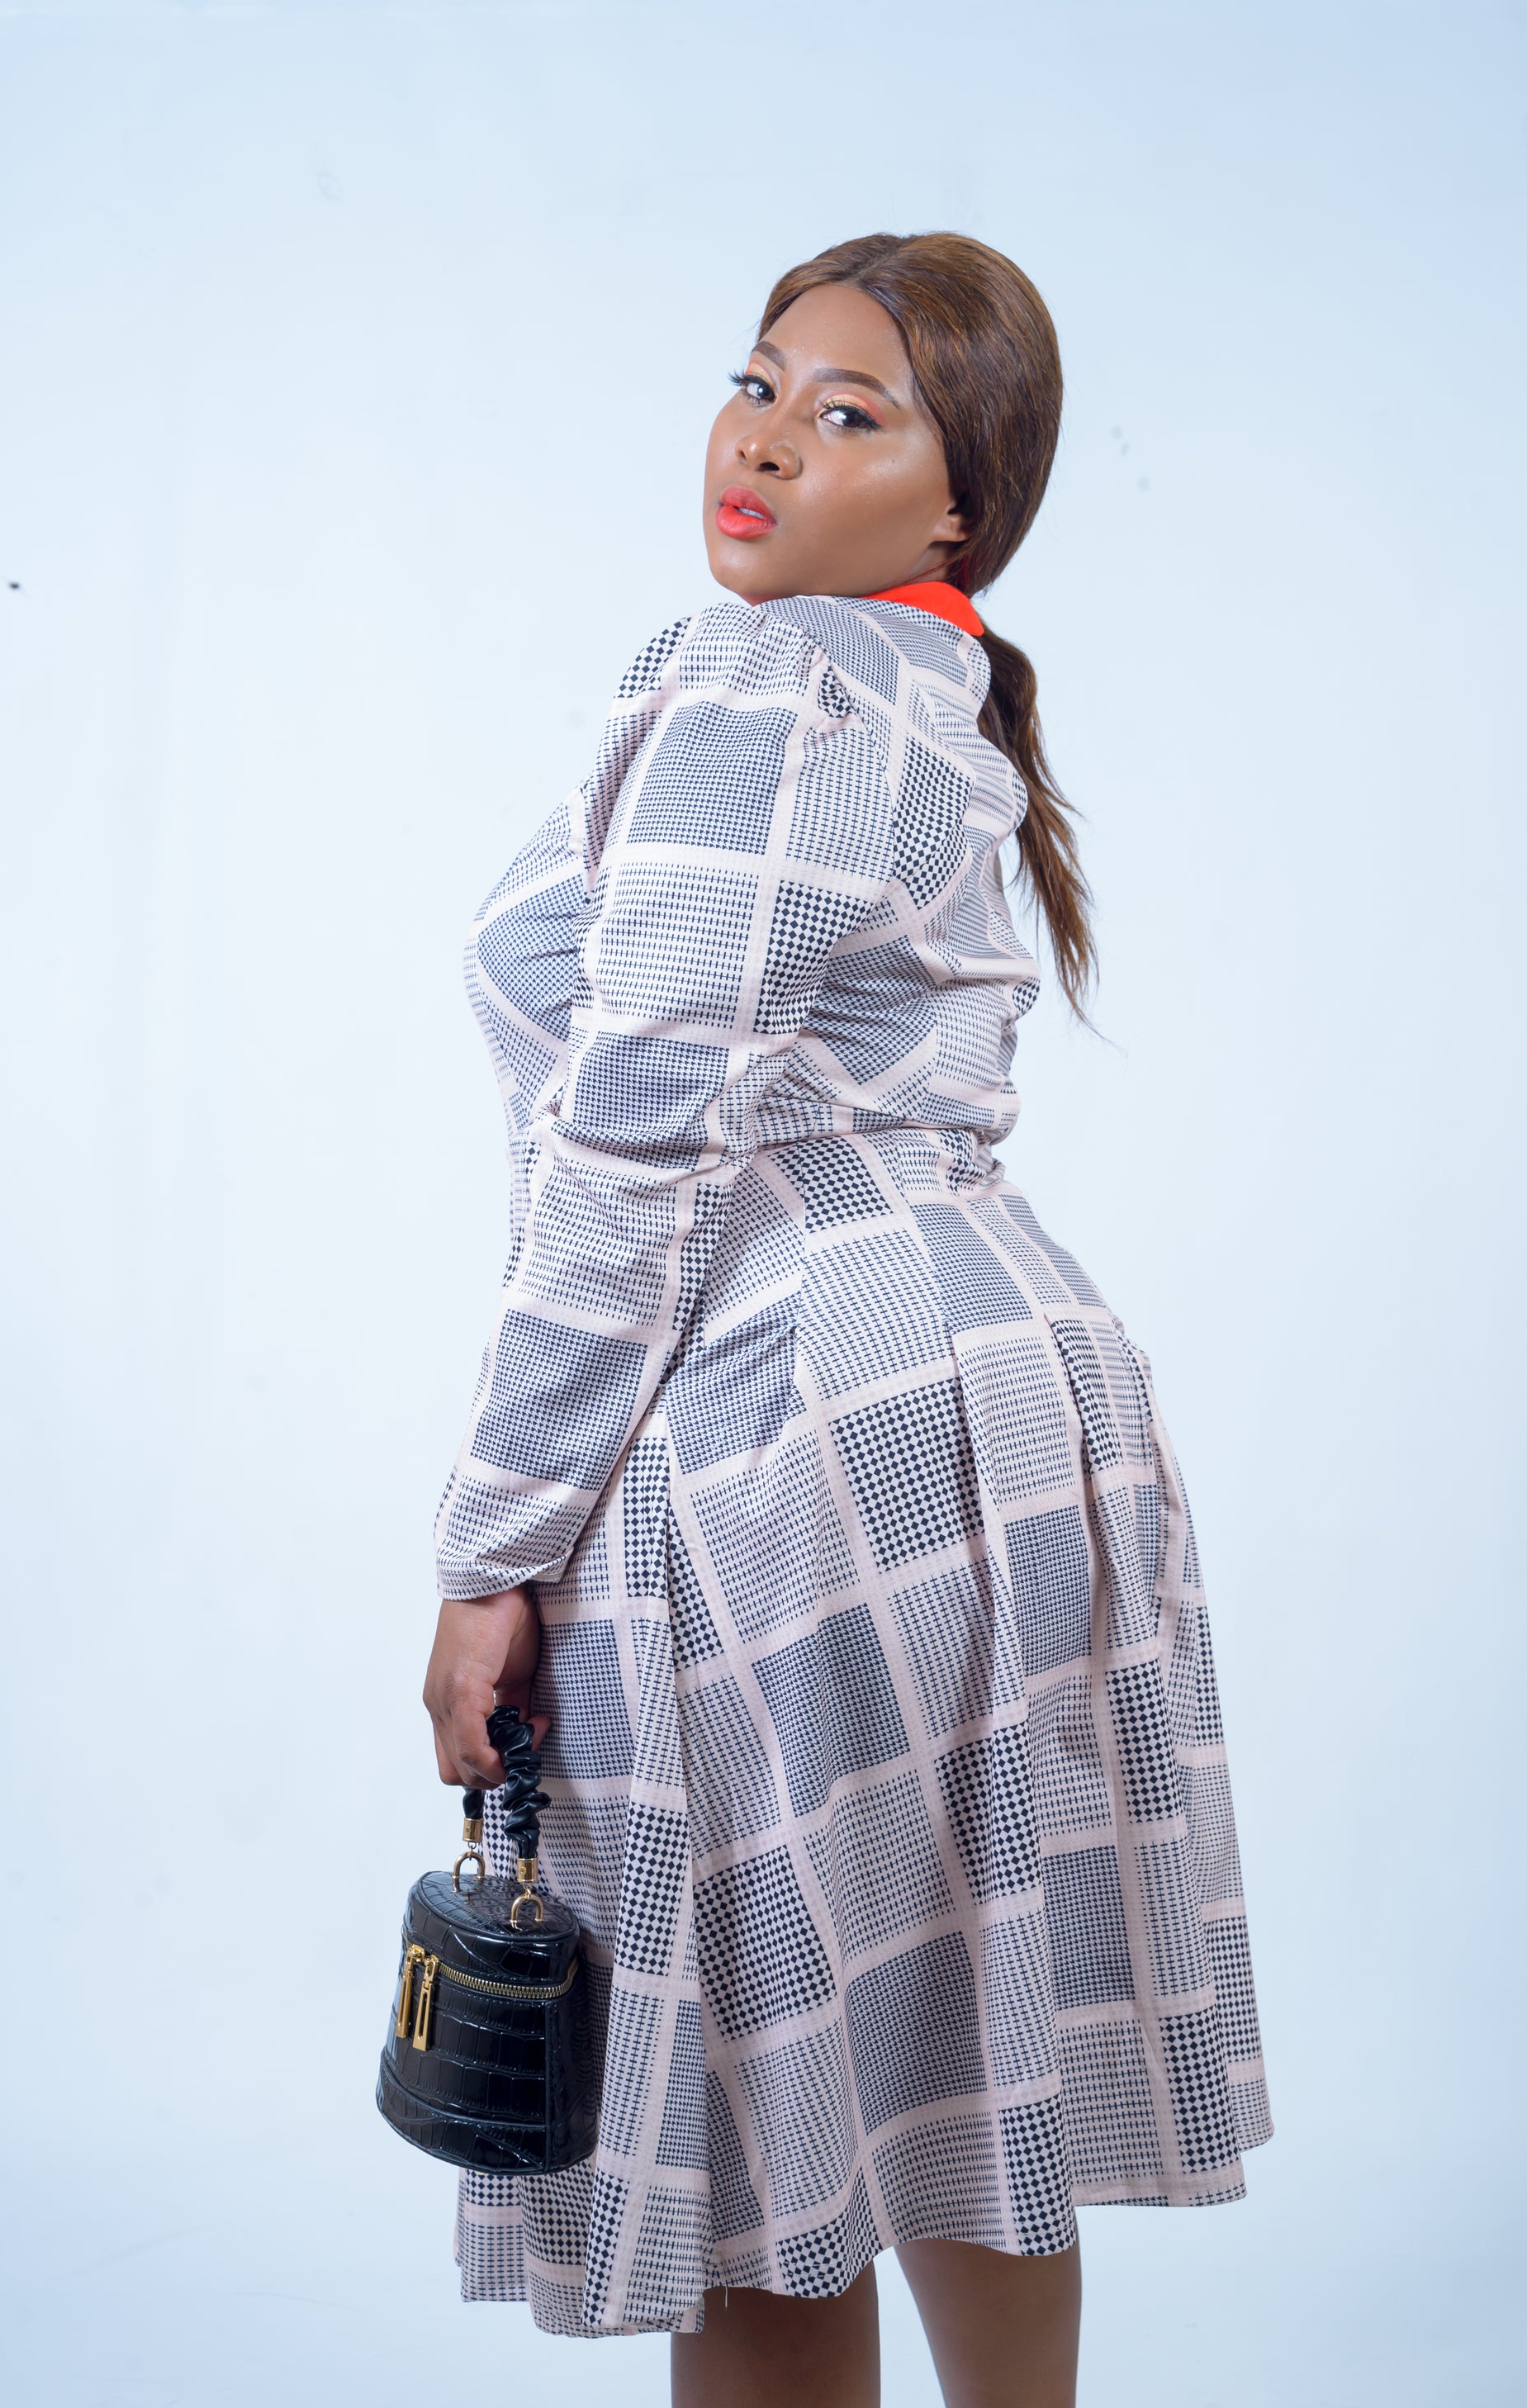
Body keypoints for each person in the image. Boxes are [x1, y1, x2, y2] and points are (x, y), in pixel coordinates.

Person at [421, 230, 1269, 2408]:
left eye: (850, 411)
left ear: (961, 502)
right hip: (1008, 1406)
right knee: (962, 2050)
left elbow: (639, 1132)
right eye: (758, 382)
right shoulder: (932, 694)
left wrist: (495, 1543)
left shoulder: (770, 681)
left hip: (788, 1418)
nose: (770, 438)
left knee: (762, 2126)